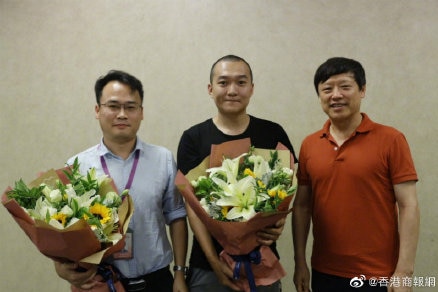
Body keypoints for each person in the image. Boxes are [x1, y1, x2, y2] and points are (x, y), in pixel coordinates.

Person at [54, 70, 189, 292]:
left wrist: (180, 273)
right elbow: (65, 228)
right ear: (98, 110)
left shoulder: (162, 159)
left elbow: (176, 216)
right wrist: (60, 267)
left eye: (131, 106)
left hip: (157, 281)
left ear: (141, 112)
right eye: (113, 106)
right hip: (103, 281)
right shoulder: (77, 165)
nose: (122, 114)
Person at [292, 57, 420, 292]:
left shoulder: (391, 139)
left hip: (379, 273)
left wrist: (404, 270)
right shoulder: (310, 144)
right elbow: (301, 207)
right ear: (319, 96)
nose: (336, 95)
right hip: (324, 270)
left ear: (362, 90)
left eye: (345, 86)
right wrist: (300, 261)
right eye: (327, 89)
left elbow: (408, 205)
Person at [177, 55, 298, 292]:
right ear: (210, 89)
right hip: (207, 266)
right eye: (223, 83)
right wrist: (214, 262)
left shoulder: (272, 133)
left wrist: (279, 220)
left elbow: (288, 187)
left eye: (241, 83)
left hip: (262, 261)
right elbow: (192, 206)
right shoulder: (194, 138)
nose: (232, 90)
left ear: (252, 89)